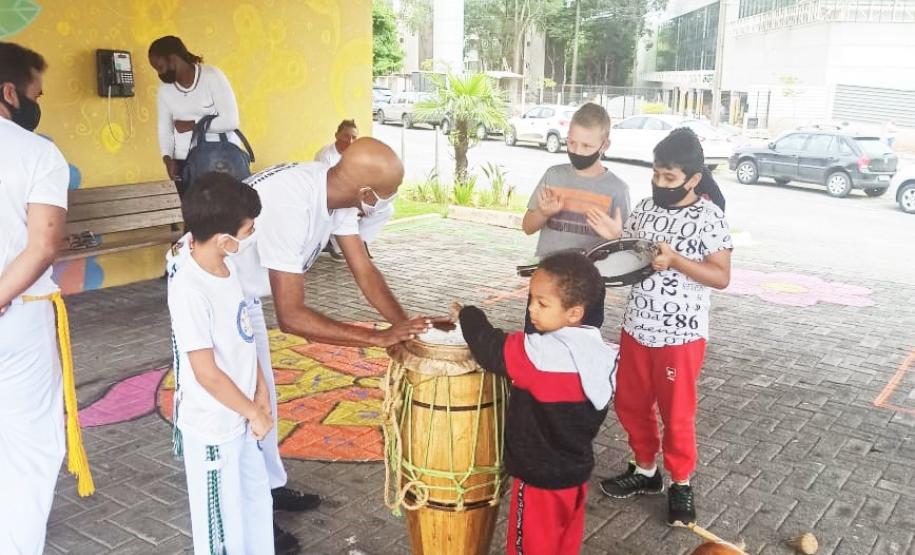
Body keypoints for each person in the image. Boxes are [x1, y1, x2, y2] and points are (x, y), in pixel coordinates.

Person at [166, 137, 439, 552]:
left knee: (263, 400)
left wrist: (403, 326)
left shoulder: (337, 194)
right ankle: (244, 506)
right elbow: (291, 317)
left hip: (241, 288)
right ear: (366, 194)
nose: (386, 203)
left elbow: (364, 270)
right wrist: (377, 338)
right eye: (387, 196)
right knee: (235, 401)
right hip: (213, 284)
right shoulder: (294, 203)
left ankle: (265, 494)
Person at [599, 127, 733, 528]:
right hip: (637, 325)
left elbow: (721, 277)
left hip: (681, 336)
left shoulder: (709, 218)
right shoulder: (644, 208)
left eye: (669, 178)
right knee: (630, 404)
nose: (660, 183)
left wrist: (676, 261)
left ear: (693, 179)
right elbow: (633, 257)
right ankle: (644, 471)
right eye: (656, 175)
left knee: (676, 414)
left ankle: (680, 482)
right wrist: (616, 239)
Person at [454, 251, 617, 555]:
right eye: (531, 298)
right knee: (563, 547)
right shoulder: (604, 353)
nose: (531, 309)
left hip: (539, 481)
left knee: (528, 548)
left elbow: (490, 348)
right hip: (576, 477)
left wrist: (468, 314)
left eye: (543, 303)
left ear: (574, 313)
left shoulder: (539, 356)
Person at [0, 42, 93, 554]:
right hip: (18, 316)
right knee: (29, 445)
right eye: (36, 91)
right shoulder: (37, 152)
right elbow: (42, 245)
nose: (39, 102)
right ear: (9, 92)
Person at [168, 173, 275, 554]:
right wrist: (252, 409)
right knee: (222, 528)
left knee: (256, 502)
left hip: (243, 416)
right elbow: (206, 373)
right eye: (248, 230)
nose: (252, 235)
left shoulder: (227, 269)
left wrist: (260, 397)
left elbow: (245, 340)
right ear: (223, 239)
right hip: (215, 426)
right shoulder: (189, 287)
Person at [521, 102, 631, 333]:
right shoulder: (553, 175)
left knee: (578, 354)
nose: (577, 151)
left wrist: (616, 236)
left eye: (586, 145)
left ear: (605, 144)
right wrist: (543, 213)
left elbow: (628, 254)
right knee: (535, 350)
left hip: (588, 288)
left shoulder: (617, 189)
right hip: (546, 284)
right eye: (571, 142)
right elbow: (528, 226)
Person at [149, 36, 242, 199]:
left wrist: (193, 125)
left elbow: (231, 121)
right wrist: (167, 159)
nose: (159, 74)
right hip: (185, 163)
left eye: (160, 67)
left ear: (172, 59)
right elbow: (165, 129)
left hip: (221, 157)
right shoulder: (165, 90)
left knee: (226, 214)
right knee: (195, 217)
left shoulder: (212, 76)